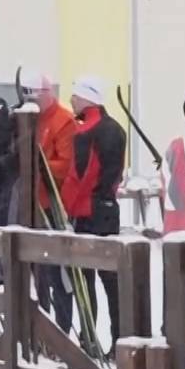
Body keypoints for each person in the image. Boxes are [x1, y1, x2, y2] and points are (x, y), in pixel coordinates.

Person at [63, 74, 128, 346]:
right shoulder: (117, 129)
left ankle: (89, 340)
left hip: (88, 213)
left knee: (85, 280)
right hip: (109, 210)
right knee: (112, 280)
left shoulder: (86, 131)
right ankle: (120, 339)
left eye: (75, 96)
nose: (71, 101)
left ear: (87, 98)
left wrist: (66, 209)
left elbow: (81, 176)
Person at [22, 70, 81, 335]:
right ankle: (40, 331)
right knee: (38, 275)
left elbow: (67, 166)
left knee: (59, 275)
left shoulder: (63, 121)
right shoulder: (28, 120)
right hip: (31, 207)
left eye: (34, 97)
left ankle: (61, 331)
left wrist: (37, 165)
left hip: (54, 209)